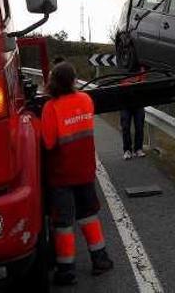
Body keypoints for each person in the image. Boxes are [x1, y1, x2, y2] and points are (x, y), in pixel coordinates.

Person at [41, 62, 114, 285]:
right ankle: (100, 259)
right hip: (85, 172)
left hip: (61, 175)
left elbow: (48, 141)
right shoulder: (86, 100)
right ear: (73, 80)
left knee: (63, 223)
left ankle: (66, 271)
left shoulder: (50, 108)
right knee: (88, 214)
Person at [119, 67, 147, 160]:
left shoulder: (141, 69)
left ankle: (138, 149)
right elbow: (122, 84)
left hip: (138, 103)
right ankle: (127, 150)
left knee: (139, 126)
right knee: (125, 127)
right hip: (125, 104)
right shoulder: (123, 68)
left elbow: (143, 83)